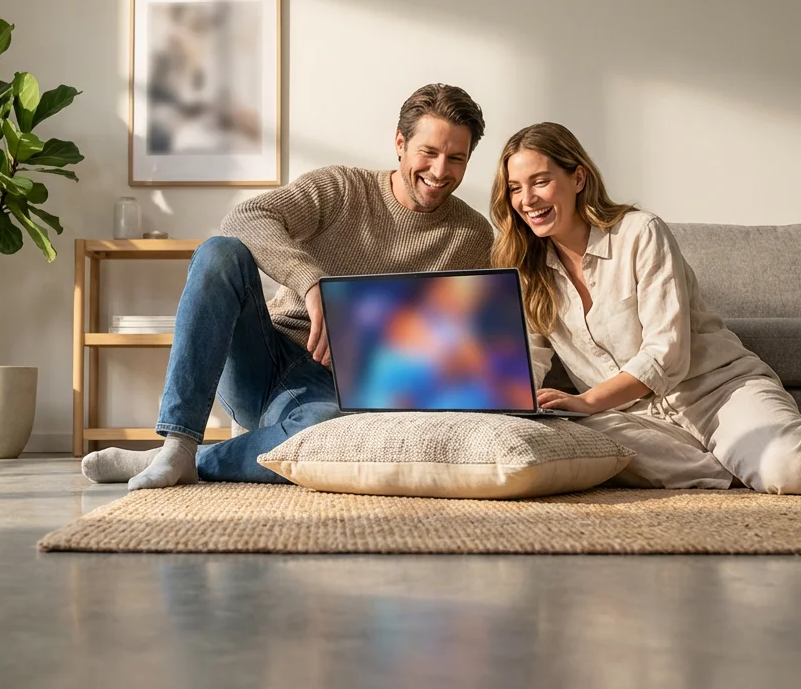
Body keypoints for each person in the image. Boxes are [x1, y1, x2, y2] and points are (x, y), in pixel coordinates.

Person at [492, 122, 801, 493]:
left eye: (540, 181)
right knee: (567, 442)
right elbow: (524, 366)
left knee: (792, 469)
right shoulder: (524, 267)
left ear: (577, 178)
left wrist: (587, 400)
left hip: (715, 393)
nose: (527, 200)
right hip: (633, 419)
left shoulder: (640, 232)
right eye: (515, 189)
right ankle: (740, 467)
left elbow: (668, 353)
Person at [81, 83, 495, 489]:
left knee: (326, 431)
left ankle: (187, 461)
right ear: (400, 143)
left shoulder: (472, 236)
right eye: (429, 152)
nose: (440, 171)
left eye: (456, 158)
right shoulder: (342, 188)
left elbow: (459, 345)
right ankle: (179, 439)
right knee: (220, 252)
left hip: (334, 392)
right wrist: (313, 284)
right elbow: (246, 217)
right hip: (264, 357)